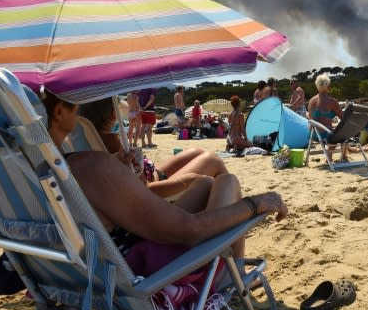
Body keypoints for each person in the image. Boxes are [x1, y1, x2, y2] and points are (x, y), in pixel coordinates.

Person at [42, 92, 288, 275]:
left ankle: (237, 266)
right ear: (60, 113)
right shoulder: (90, 165)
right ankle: (234, 275)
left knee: (204, 183)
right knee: (227, 182)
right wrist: (256, 204)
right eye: (74, 104)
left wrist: (121, 167)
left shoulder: (39, 171)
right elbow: (189, 230)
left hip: (97, 269)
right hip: (148, 272)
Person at [79, 98, 231, 199]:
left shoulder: (86, 137)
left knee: (197, 152)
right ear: (113, 113)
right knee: (213, 160)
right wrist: (185, 181)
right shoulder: (112, 142)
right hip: (155, 188)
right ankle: (226, 202)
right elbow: (144, 192)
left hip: (153, 173)